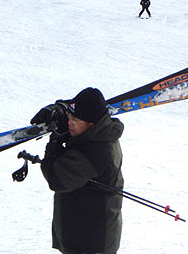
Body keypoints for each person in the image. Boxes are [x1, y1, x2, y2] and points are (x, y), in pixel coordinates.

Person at [30, 87, 124, 254]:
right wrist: (58, 109)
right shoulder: (100, 132)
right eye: (69, 117)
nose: (69, 123)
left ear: (91, 124)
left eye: (74, 120)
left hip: (90, 243)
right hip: (86, 236)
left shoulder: (95, 151)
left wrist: (55, 143)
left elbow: (56, 178)